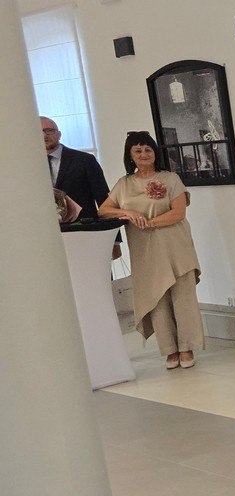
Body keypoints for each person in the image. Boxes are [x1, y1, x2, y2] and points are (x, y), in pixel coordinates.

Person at [98, 131, 204, 369]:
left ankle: (186, 347)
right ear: (130, 155)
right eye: (138, 150)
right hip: (144, 249)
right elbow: (104, 210)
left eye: (148, 149)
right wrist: (127, 213)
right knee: (156, 298)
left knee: (183, 297)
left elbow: (178, 213)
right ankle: (169, 349)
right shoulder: (124, 184)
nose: (144, 154)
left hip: (175, 245)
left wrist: (150, 222)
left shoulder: (170, 179)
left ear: (155, 152)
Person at [42, 116, 109, 218]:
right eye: (39, 132)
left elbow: (103, 198)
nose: (44, 135)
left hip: (84, 223)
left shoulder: (85, 160)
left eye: (49, 131)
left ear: (59, 134)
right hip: (45, 224)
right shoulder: (29, 166)